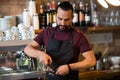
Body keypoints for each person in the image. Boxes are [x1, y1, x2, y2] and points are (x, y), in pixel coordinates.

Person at [24, 1, 96, 80]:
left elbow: (91, 61)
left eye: (66, 20)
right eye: (60, 19)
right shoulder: (47, 32)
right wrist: (40, 54)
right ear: (55, 16)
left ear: (72, 18)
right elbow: (27, 49)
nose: (62, 23)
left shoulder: (78, 36)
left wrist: (69, 67)